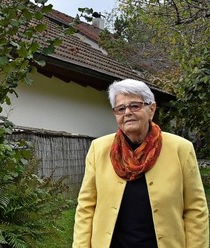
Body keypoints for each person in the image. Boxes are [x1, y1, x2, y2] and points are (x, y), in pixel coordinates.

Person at [72, 79, 209, 247]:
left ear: (151, 109)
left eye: (135, 106)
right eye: (120, 109)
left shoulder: (181, 149)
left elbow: (195, 210)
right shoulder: (99, 149)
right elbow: (86, 208)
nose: (127, 112)